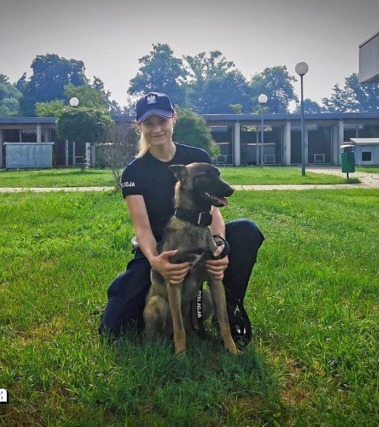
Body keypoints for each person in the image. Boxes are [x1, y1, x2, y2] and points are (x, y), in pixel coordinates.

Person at [100, 92, 264, 347]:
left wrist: (220, 246)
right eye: (148, 123)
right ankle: (131, 294)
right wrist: (157, 262)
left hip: (200, 240)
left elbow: (215, 213)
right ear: (138, 126)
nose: (156, 129)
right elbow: (142, 228)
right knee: (113, 327)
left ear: (173, 119)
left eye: (162, 121)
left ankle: (229, 310)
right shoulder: (134, 171)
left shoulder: (196, 157)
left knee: (246, 231)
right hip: (159, 250)